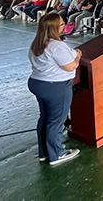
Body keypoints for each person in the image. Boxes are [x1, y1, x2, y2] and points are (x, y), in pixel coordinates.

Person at [27, 13, 81, 165]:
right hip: (55, 87)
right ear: (54, 28)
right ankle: (57, 154)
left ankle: (44, 152)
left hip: (38, 84)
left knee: (45, 117)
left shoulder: (36, 43)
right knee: (57, 121)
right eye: (62, 24)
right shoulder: (57, 46)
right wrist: (77, 56)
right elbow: (71, 66)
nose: (64, 26)